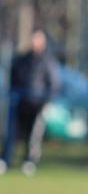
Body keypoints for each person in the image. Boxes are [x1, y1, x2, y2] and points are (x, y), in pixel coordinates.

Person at [1, 28, 61, 176]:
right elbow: (13, 79)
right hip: (20, 103)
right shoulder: (23, 59)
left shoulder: (48, 61)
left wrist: (47, 101)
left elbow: (54, 84)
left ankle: (29, 160)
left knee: (33, 134)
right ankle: (6, 159)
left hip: (37, 104)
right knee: (12, 133)